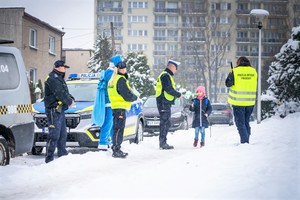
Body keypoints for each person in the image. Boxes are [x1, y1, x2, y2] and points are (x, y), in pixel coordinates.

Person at [44, 60, 74, 163]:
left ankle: (62, 157)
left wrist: (71, 98)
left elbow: (64, 92)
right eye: (64, 67)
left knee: (62, 134)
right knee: (54, 135)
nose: (65, 69)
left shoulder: (59, 78)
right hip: (53, 110)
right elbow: (59, 93)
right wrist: (69, 101)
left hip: (59, 110)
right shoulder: (53, 78)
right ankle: (49, 159)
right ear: (58, 67)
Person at [107, 56, 137, 158]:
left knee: (117, 128)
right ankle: (116, 149)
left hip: (116, 107)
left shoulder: (113, 79)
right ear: (118, 69)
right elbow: (126, 94)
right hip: (120, 107)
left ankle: (116, 147)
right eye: (123, 68)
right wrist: (134, 97)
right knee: (119, 129)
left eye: (125, 68)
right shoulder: (120, 80)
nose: (124, 70)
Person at [225, 56, 257, 144]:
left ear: (239, 63)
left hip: (238, 102)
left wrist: (232, 74)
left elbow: (228, 84)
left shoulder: (235, 71)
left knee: (240, 123)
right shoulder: (253, 71)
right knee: (246, 122)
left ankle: (244, 142)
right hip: (250, 102)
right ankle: (246, 140)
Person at [155, 59, 182, 150]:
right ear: (171, 66)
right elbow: (168, 89)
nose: (176, 70)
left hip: (165, 102)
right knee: (165, 122)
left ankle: (163, 142)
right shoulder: (165, 76)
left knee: (167, 122)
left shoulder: (167, 76)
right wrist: (178, 94)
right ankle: (162, 143)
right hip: (163, 102)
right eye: (175, 68)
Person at [96, 62, 117, 151]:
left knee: (110, 123)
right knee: (108, 123)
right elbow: (113, 86)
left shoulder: (108, 72)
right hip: (109, 103)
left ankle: (108, 141)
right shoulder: (110, 73)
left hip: (109, 103)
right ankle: (103, 142)